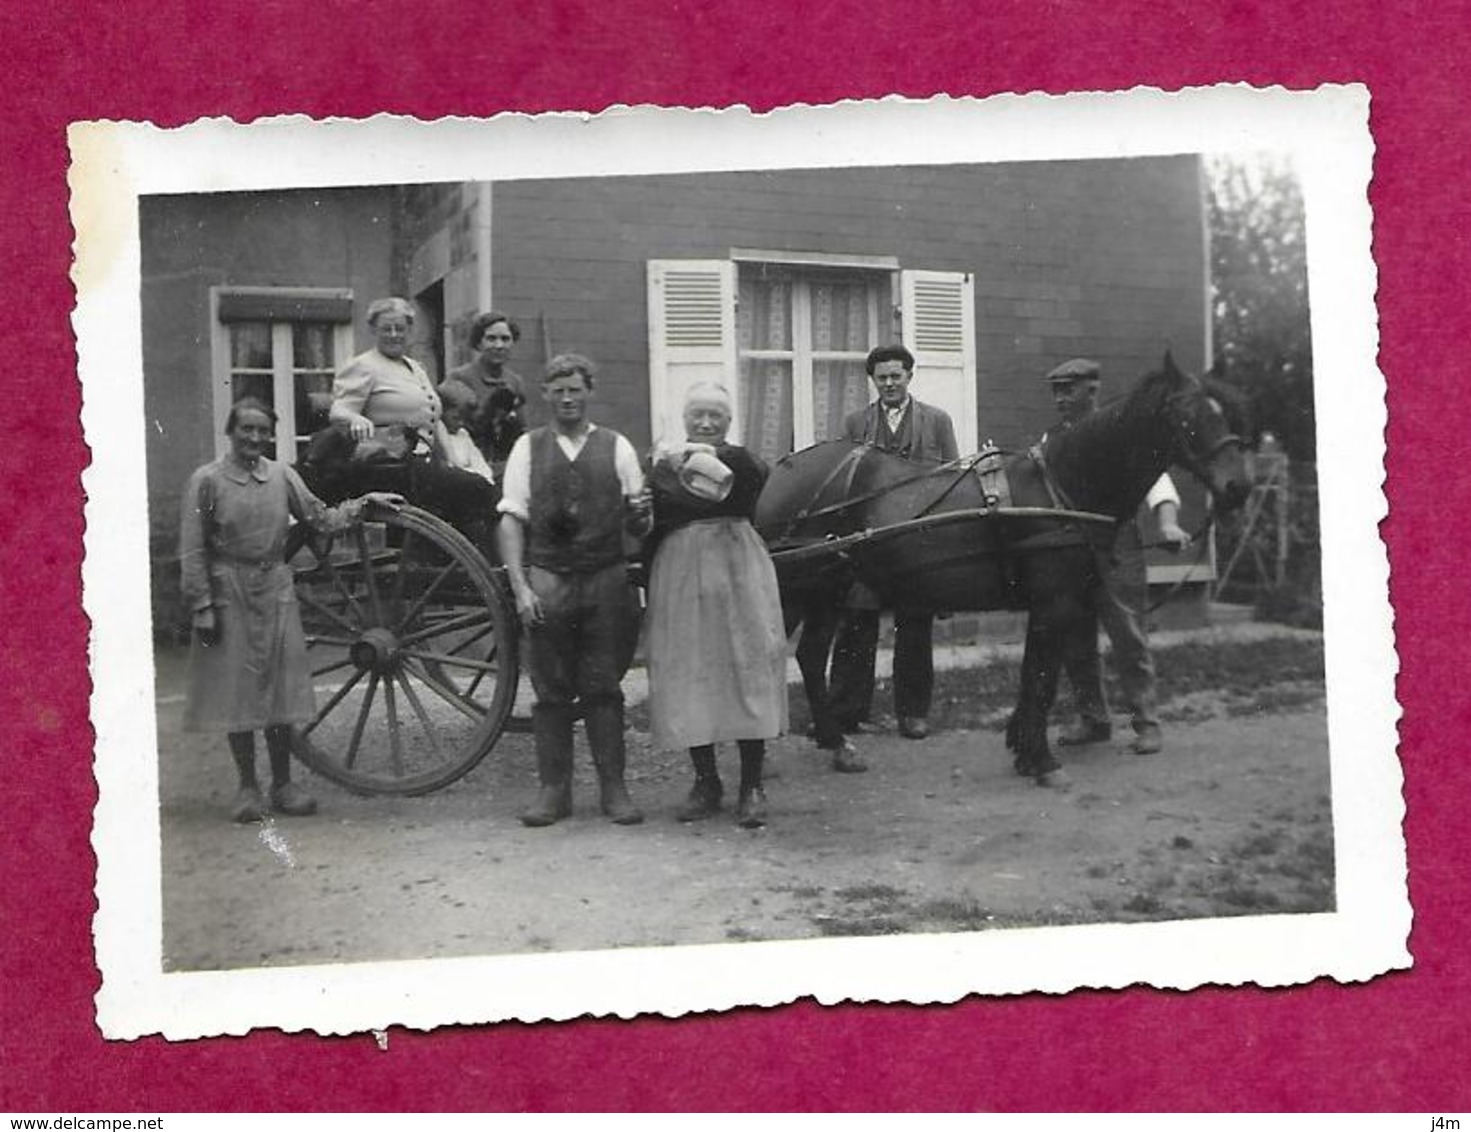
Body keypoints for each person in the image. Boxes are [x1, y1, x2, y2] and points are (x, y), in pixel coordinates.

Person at [179, 398, 403, 823]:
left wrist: (365, 503)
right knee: (238, 693)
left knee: (280, 691)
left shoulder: (282, 476)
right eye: (247, 429)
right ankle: (247, 786)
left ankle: (283, 784)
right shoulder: (207, 481)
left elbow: (321, 519)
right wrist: (202, 604)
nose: (254, 438)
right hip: (230, 591)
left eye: (263, 431)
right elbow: (192, 549)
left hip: (276, 588)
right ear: (231, 431)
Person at [497, 353, 652, 827]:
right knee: (550, 689)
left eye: (575, 389)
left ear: (589, 393)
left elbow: (639, 522)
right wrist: (521, 588)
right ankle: (553, 791)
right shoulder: (527, 447)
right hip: (549, 579)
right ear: (545, 393)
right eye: (558, 389)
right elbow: (510, 519)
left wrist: (642, 516)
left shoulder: (617, 446)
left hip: (605, 578)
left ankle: (614, 790)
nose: (567, 397)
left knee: (604, 686)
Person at [645, 383, 788, 828]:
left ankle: (752, 785)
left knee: (748, 668)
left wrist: (681, 460)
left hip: (737, 568)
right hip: (682, 572)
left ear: (729, 423)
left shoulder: (743, 463)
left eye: (716, 417)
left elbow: (739, 481)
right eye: (697, 415)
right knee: (690, 671)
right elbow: (651, 522)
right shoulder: (661, 468)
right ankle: (706, 782)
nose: (706, 423)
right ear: (684, 418)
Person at [1043, 357, 1191, 755]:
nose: (1060, 399)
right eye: (1056, 390)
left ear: (1092, 390)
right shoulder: (1052, 438)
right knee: (1075, 634)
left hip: (1116, 543)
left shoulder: (1123, 432)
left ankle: (1147, 722)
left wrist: (1168, 525)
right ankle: (1093, 720)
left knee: (1127, 633)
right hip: (1070, 545)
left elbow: (1159, 485)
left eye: (1068, 389)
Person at [828, 344, 960, 743]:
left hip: (917, 544)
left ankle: (913, 713)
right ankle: (847, 712)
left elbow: (952, 481)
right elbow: (842, 483)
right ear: (873, 381)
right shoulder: (855, 424)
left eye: (895, 376)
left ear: (909, 377)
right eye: (881, 377)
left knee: (915, 627)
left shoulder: (937, 422)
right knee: (856, 623)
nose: (888, 383)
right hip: (870, 543)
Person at [305, 296, 498, 552]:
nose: (394, 334)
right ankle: (488, 563)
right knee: (477, 488)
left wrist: (452, 459)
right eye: (386, 328)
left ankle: (457, 562)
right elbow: (339, 409)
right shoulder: (363, 366)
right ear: (374, 330)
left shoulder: (416, 368)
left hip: (420, 464)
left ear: (410, 329)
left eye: (400, 328)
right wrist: (355, 418)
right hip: (387, 465)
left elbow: (433, 416)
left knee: (473, 485)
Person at [445, 310, 529, 474]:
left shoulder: (515, 381)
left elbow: (521, 431)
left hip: (505, 464)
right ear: (478, 343)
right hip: (468, 464)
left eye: (505, 339)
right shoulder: (460, 377)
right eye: (491, 338)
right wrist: (489, 409)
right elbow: (453, 430)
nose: (499, 345)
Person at [435, 380, 498, 486]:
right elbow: (450, 467)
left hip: (476, 485)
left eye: (465, 419)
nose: (461, 423)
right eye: (456, 418)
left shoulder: (463, 434)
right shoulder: (436, 437)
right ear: (441, 412)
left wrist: (485, 479)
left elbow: (481, 465)